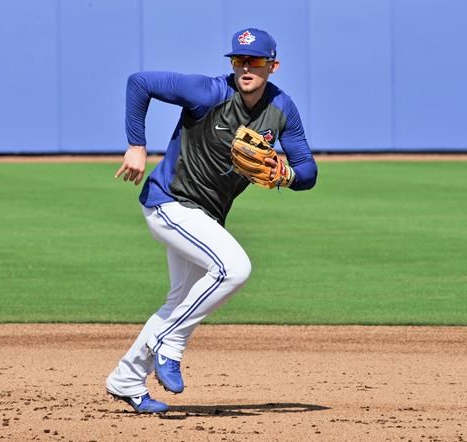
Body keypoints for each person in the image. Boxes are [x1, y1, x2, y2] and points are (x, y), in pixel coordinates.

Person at [105, 28, 317, 413]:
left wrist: (286, 175)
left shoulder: (281, 109)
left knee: (179, 299)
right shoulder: (208, 93)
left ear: (273, 65)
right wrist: (137, 145)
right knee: (234, 268)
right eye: (239, 60)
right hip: (170, 203)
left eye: (254, 61)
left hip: (205, 216)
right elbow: (140, 83)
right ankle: (171, 343)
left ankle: (127, 378)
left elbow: (308, 170)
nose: (246, 67)